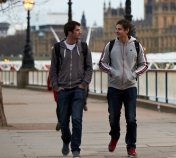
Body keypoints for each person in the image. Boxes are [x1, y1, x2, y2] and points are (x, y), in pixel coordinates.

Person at [98, 19, 148, 157]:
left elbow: (144, 64)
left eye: (119, 29)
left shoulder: (137, 45)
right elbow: (102, 63)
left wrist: (133, 75)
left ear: (127, 30)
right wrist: (113, 72)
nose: (116, 31)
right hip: (114, 87)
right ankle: (115, 135)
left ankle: (131, 146)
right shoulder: (111, 45)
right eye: (116, 28)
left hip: (130, 87)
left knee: (131, 118)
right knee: (114, 117)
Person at [49, 21, 93, 158]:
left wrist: (83, 84)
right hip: (62, 90)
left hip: (78, 89)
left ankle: (76, 149)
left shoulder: (84, 47)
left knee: (77, 120)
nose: (80, 32)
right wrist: (56, 86)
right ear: (70, 32)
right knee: (63, 121)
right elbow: (53, 70)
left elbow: (89, 68)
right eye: (77, 30)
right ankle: (66, 140)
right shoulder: (57, 48)